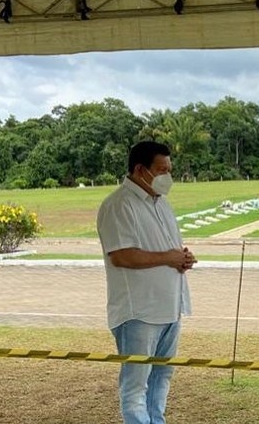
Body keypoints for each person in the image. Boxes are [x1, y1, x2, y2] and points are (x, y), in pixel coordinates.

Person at [97, 141, 196, 424]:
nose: (168, 176)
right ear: (140, 170)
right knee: (135, 387)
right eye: (161, 170)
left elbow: (166, 248)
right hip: (139, 312)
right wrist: (169, 257)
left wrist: (182, 257)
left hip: (170, 307)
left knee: (161, 378)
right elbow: (123, 256)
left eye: (169, 170)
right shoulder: (118, 205)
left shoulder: (161, 203)